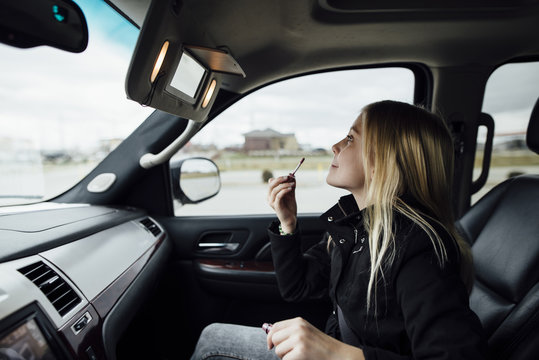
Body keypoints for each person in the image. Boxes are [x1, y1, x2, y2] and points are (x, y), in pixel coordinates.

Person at [190, 100, 486, 360]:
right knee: (213, 336)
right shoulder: (356, 228)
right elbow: (298, 287)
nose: (335, 146)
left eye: (350, 139)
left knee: (214, 344)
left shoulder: (418, 248)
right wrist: (288, 223)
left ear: (381, 160)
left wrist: (334, 353)